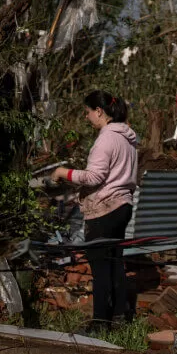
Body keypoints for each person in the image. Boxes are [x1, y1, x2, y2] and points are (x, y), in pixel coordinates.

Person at [50, 90, 139, 326]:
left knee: (100, 266)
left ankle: (100, 321)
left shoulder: (106, 137)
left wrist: (63, 173)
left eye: (88, 112)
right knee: (115, 262)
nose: (86, 117)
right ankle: (120, 315)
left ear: (99, 111)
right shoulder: (128, 139)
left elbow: (93, 177)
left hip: (104, 208)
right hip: (123, 205)